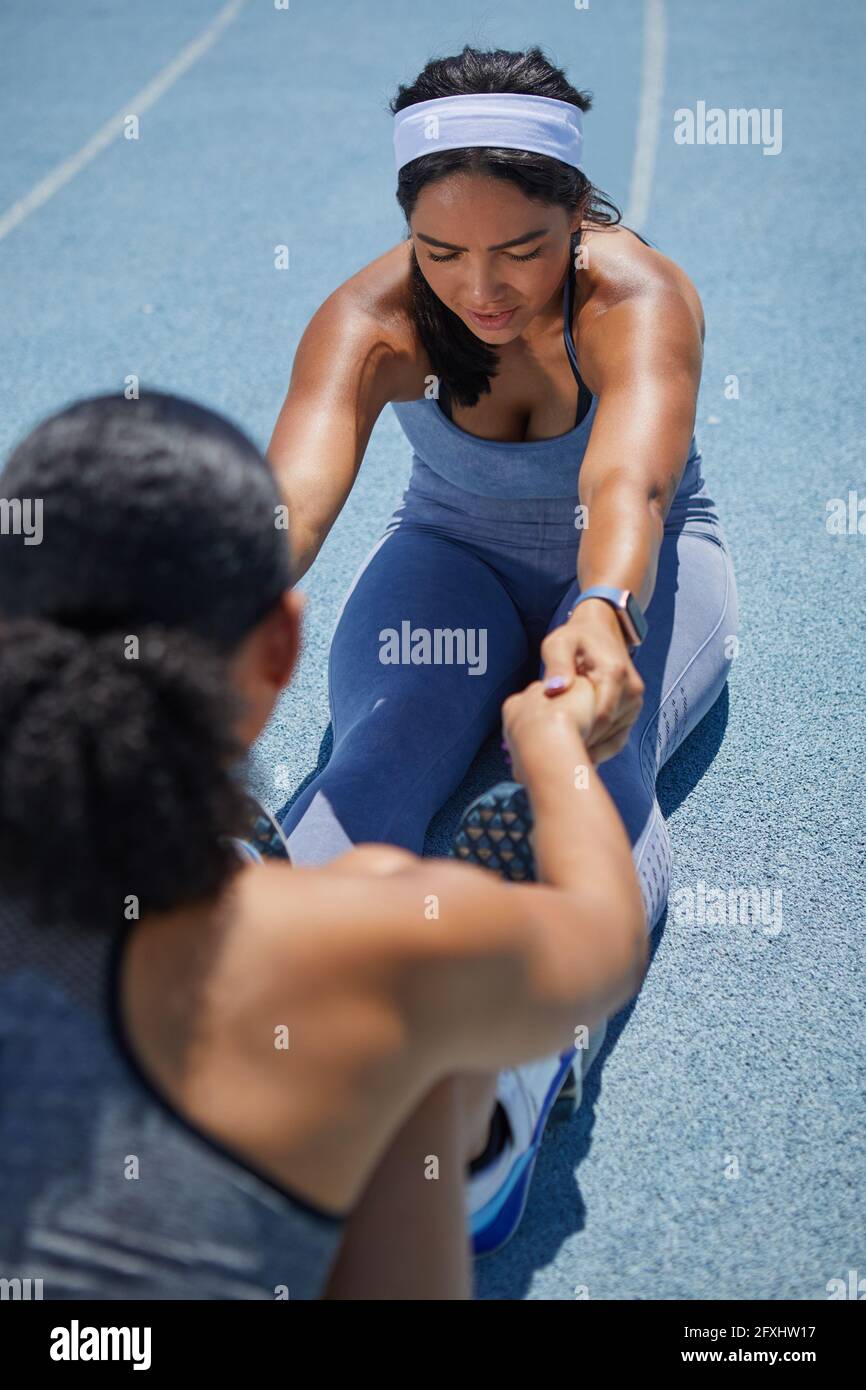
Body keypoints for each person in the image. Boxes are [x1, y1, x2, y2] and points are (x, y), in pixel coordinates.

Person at [0, 390, 647, 1299]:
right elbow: (602, 938)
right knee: (400, 1028)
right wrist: (550, 745)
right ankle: (488, 1134)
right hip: (360, 990)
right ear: (280, 652)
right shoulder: (369, 942)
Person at [267, 46, 740, 1238]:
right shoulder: (370, 319)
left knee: (590, 764)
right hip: (452, 558)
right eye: (442, 253)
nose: (480, 288)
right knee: (381, 752)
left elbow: (627, 481)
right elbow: (290, 502)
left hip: (636, 566)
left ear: (576, 216)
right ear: (406, 236)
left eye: (520, 250)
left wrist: (602, 612)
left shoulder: (639, 298)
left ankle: (514, 1061)